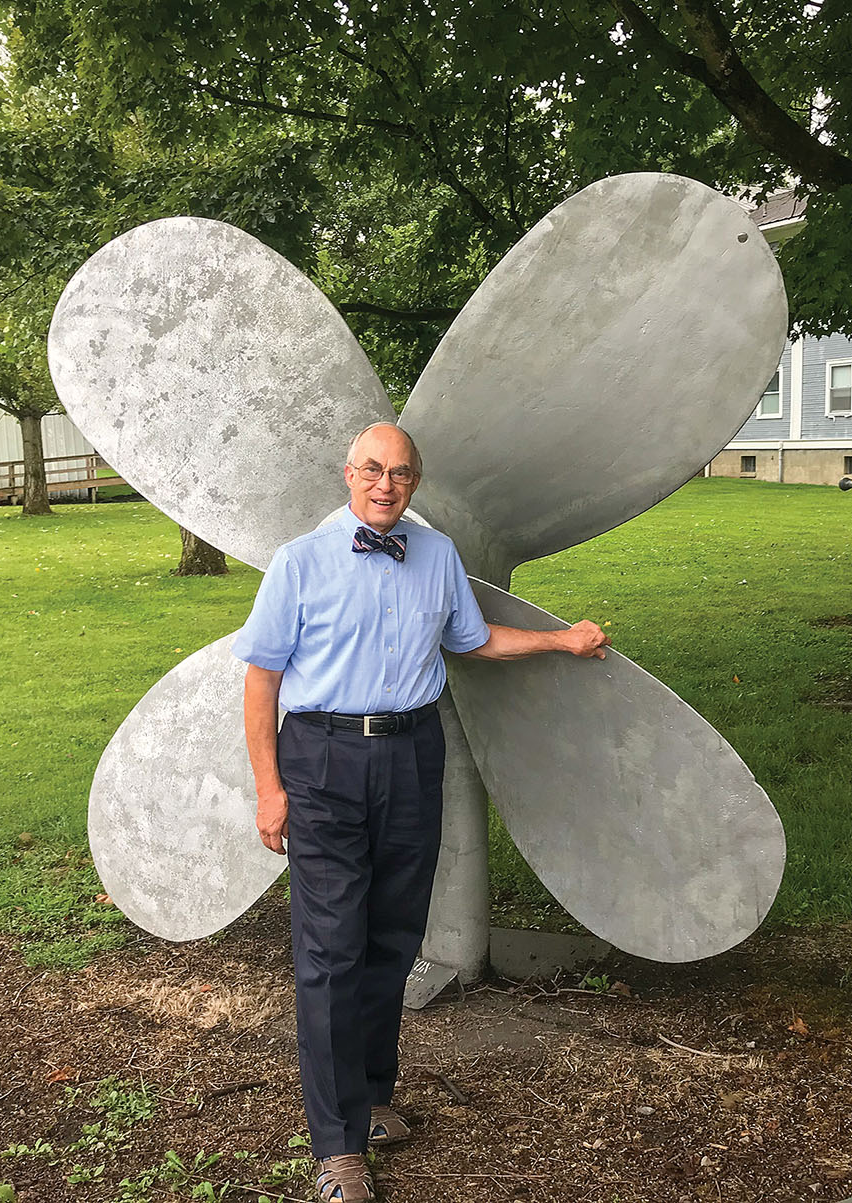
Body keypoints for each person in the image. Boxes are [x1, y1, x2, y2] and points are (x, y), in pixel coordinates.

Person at [233, 421, 609, 1203]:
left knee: (393, 937)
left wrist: (561, 640)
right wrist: (270, 788)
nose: (385, 484)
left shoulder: (436, 556)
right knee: (332, 951)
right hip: (324, 759)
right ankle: (336, 1149)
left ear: (414, 483)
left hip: (411, 755)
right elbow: (262, 679)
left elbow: (473, 641)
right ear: (348, 473)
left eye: (401, 473)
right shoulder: (300, 562)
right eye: (373, 469)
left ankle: (369, 1100)